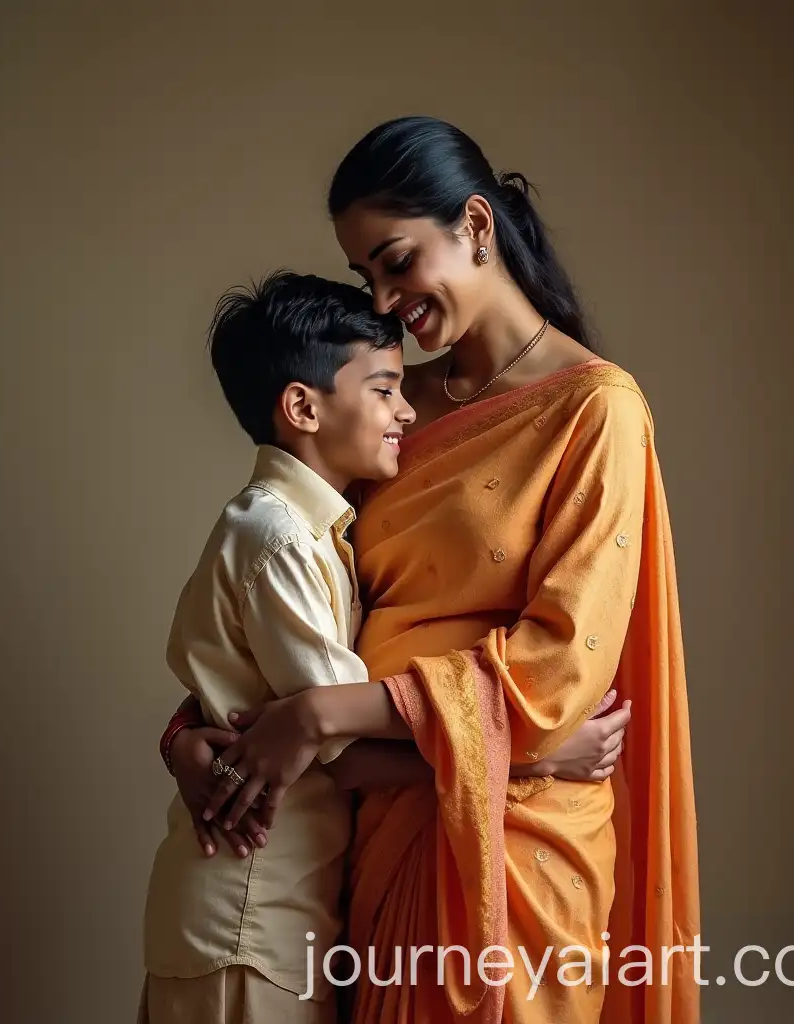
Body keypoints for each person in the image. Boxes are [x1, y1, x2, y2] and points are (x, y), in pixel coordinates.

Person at [169, 115, 699, 1023]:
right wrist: (191, 736)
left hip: (526, 834)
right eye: (366, 275)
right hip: (378, 823)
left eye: (396, 261)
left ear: (478, 227)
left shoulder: (595, 411)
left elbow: (559, 666)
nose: (382, 302)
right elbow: (284, 591)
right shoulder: (385, 411)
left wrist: (322, 714)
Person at [143, 269, 628, 1024]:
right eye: (384, 390)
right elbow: (343, 742)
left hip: (290, 907)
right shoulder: (280, 541)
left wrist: (182, 738)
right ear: (302, 406)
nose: (407, 409)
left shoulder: (326, 529)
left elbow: (248, 700)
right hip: (249, 910)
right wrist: (534, 756)